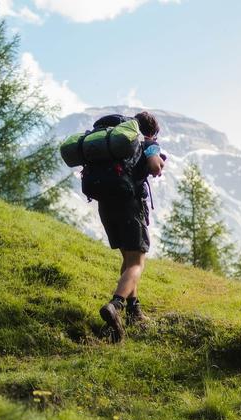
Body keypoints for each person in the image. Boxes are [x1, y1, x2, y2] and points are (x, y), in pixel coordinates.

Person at [98, 111, 166, 343]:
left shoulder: (114, 142)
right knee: (137, 262)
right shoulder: (147, 142)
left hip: (106, 206)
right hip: (129, 205)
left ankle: (134, 310)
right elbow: (156, 166)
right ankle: (115, 304)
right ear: (151, 131)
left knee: (128, 259)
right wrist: (157, 160)